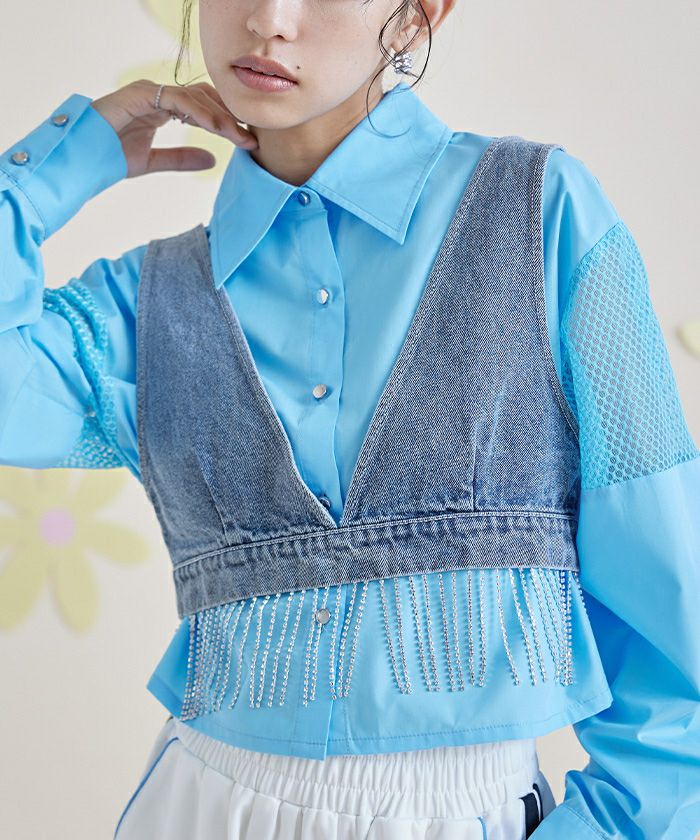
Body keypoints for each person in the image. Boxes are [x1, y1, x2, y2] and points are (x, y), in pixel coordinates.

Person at [1, 0, 699, 836]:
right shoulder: (144, 303)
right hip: (199, 803)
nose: (269, 20)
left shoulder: (537, 216)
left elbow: (669, 625)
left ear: (418, 16)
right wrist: (52, 169)